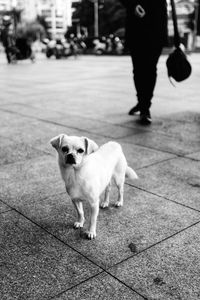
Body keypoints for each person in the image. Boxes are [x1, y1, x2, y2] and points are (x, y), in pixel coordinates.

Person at [119, 0, 168, 124]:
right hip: (136, 25)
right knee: (138, 69)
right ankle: (142, 103)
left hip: (156, 23)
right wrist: (132, 5)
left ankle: (145, 106)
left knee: (150, 68)